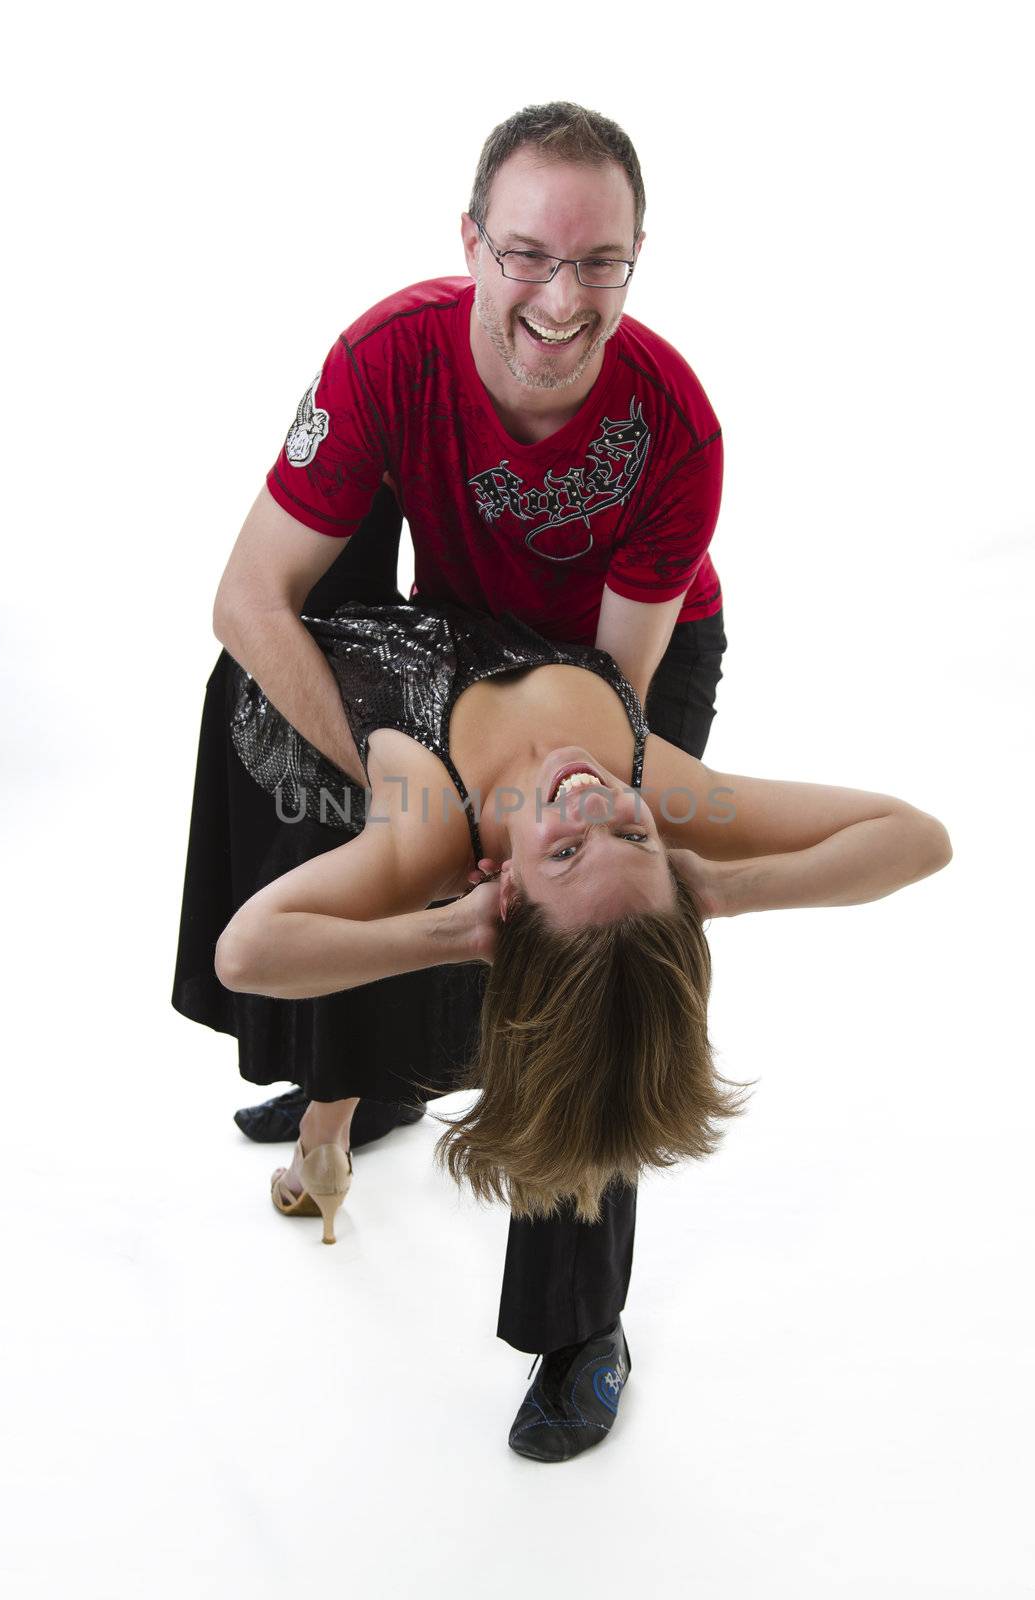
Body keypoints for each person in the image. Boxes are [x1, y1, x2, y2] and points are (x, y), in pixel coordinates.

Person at [174, 99, 729, 1460]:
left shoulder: (673, 429)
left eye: (599, 261)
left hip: (620, 673)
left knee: (580, 949)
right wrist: (394, 784)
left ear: (634, 262)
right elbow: (249, 600)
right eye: (528, 253)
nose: (559, 294)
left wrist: (521, 821)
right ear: (470, 243)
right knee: (310, 655)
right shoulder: (388, 355)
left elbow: (603, 705)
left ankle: (575, 1326)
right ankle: (367, 1065)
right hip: (457, 638)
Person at [212, 593, 951, 1459]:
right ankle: (351, 1101)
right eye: (629, 842)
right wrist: (701, 885)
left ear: (502, 890)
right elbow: (916, 839)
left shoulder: (450, 828)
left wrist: (456, 927)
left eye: (566, 850)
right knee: (569, 957)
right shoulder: (643, 798)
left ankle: (579, 1330)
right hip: (493, 611)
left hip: (617, 620)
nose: (595, 809)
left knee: (588, 1033)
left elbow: (253, 951)